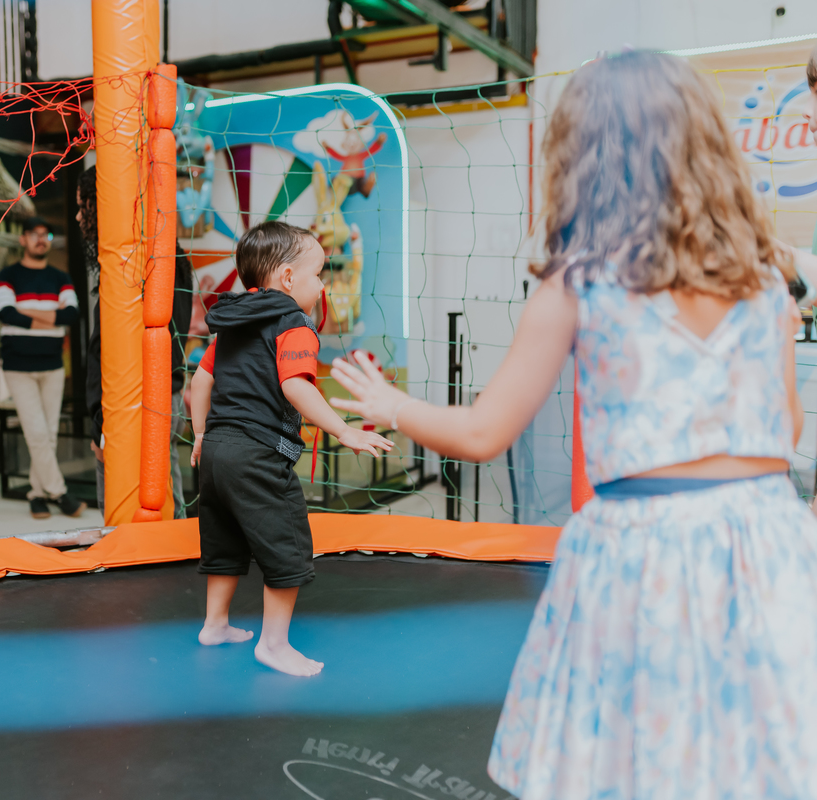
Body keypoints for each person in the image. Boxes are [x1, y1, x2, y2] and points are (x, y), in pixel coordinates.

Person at [330, 51, 817, 799]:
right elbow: (782, 430)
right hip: (762, 545)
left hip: (642, 554)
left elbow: (485, 432)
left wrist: (395, 407)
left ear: (584, 157)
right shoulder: (766, 282)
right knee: (747, 758)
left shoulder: (582, 280)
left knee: (634, 764)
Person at [189, 221, 392, 677]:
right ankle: (274, 645)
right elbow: (295, 387)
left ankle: (214, 624)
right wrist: (345, 431)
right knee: (288, 545)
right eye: (318, 274)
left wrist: (202, 435)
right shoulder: (292, 323)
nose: (322, 286)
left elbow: (200, 383)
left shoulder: (232, 323)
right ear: (286, 279)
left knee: (224, 540)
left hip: (217, 451)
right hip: (257, 454)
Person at [81, 166, 192, 517]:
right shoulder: (162, 254)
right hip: (155, 395)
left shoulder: (139, 264)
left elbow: (117, 352)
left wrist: (102, 420)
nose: (79, 215)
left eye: (84, 206)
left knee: (142, 499)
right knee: (163, 491)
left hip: (138, 400)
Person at [0, 216, 83, 519]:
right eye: (34, 234)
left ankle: (36, 494)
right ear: (23, 239)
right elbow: (5, 312)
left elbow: (70, 315)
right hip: (18, 366)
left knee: (49, 432)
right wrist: (48, 317)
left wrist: (26, 312)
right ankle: (59, 493)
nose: (41, 239)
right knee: (36, 432)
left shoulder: (61, 278)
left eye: (46, 234)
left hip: (53, 365)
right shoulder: (8, 276)